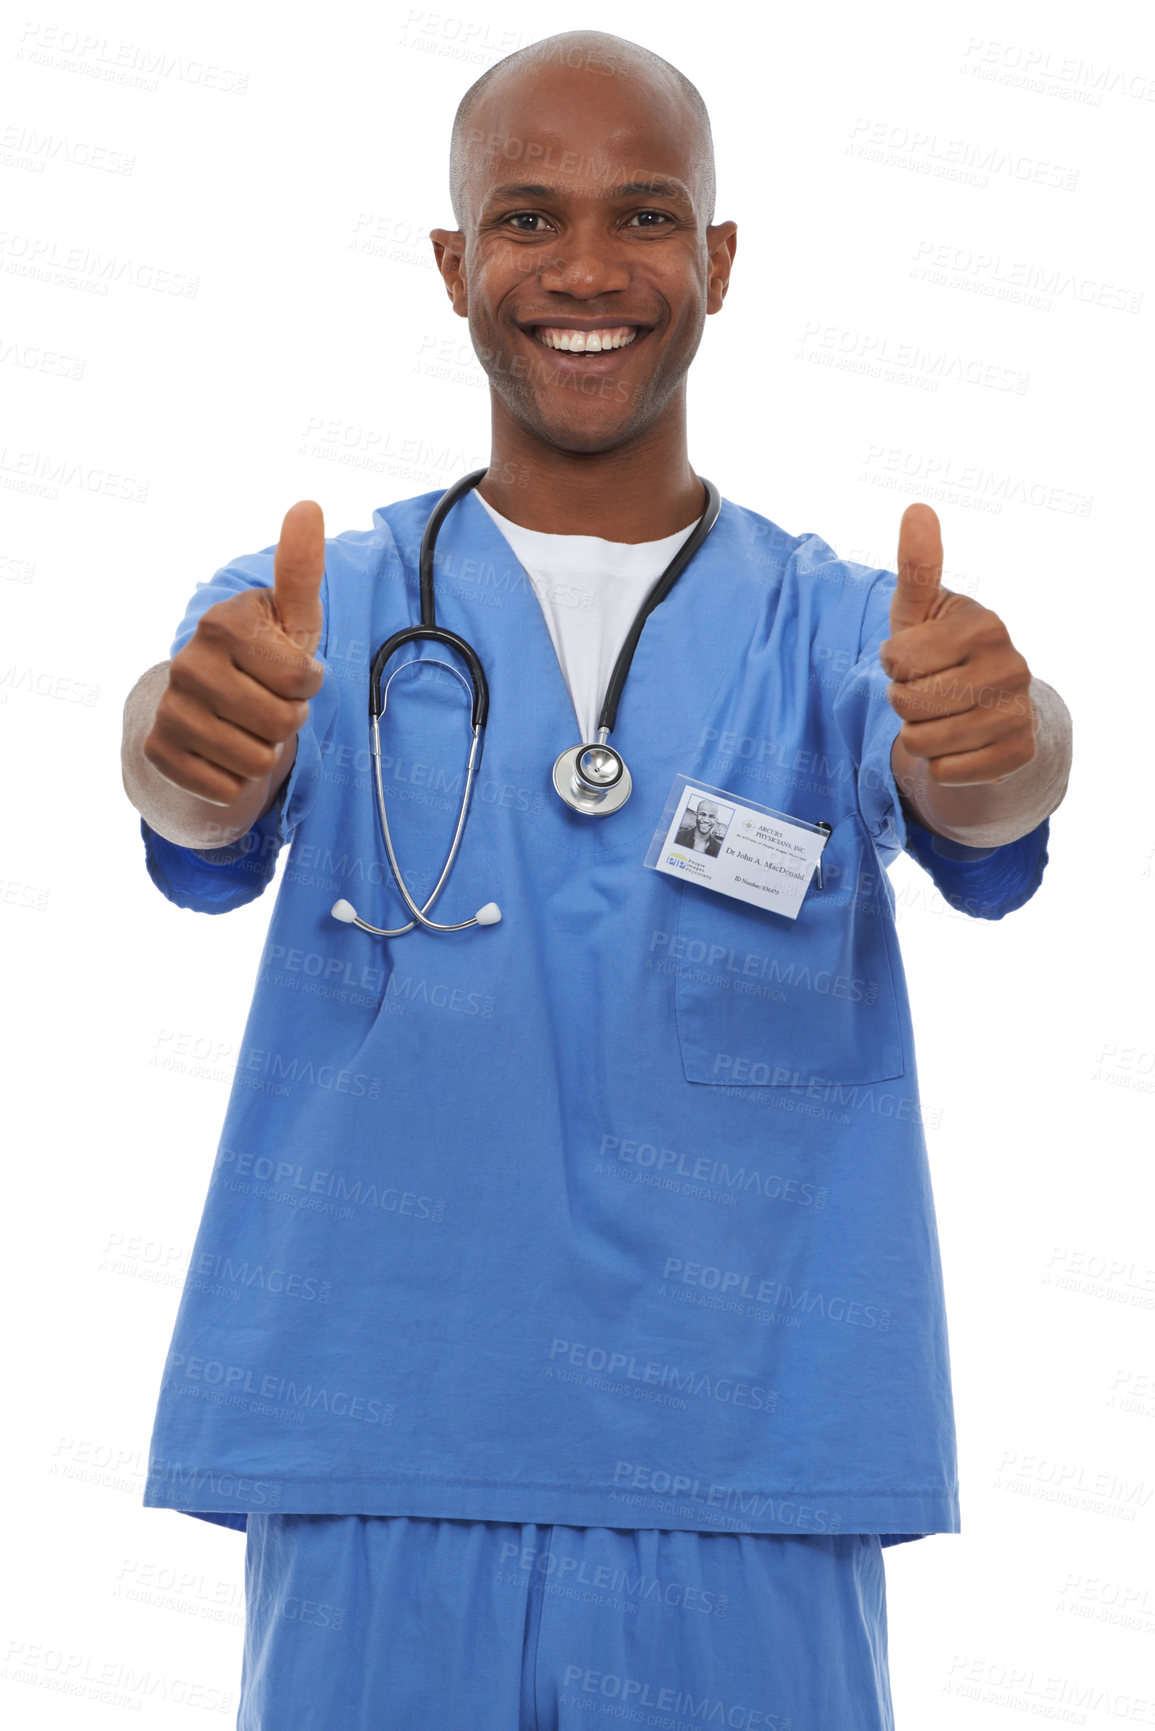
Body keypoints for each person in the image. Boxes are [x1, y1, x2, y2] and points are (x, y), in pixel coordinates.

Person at [120, 29, 1073, 1731]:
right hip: (377, 1451)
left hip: (748, 1468)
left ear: (716, 260)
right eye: (525, 217)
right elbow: (189, 793)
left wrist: (1008, 742)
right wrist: (181, 751)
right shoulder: (314, 609)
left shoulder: (843, 629)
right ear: (452, 264)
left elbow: (990, 796)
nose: (583, 269)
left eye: (643, 215)